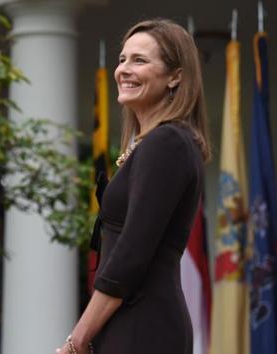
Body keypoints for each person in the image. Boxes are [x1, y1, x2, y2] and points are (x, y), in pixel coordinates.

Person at [56, 18, 211, 354]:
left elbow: (131, 254)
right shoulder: (154, 143)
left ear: (176, 76)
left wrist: (77, 339)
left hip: (143, 325)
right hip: (129, 320)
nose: (124, 70)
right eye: (123, 59)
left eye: (139, 60)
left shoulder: (167, 142)